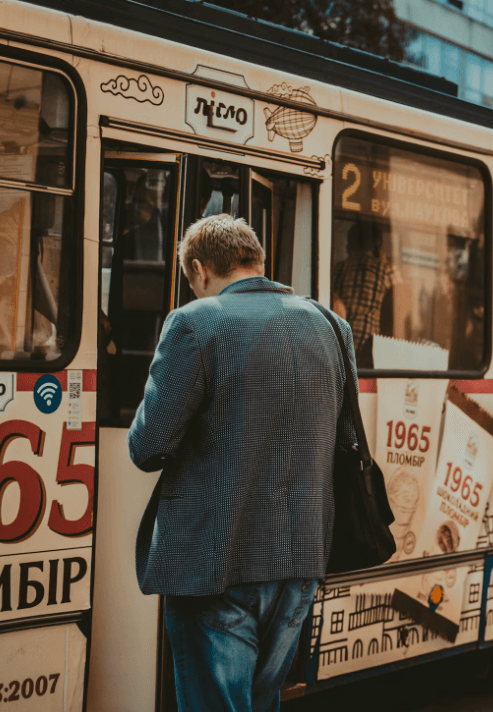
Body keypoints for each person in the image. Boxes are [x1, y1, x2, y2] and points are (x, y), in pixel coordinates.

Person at [128, 214, 356, 712]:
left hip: (215, 563)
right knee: (262, 700)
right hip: (300, 562)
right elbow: (344, 440)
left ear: (198, 269)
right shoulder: (331, 326)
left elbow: (148, 446)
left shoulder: (192, 322)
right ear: (256, 261)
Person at [332, 220, 398, 367]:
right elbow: (403, 311)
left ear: (351, 244)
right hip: (371, 352)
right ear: (377, 243)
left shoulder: (337, 269)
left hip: (339, 347)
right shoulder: (386, 270)